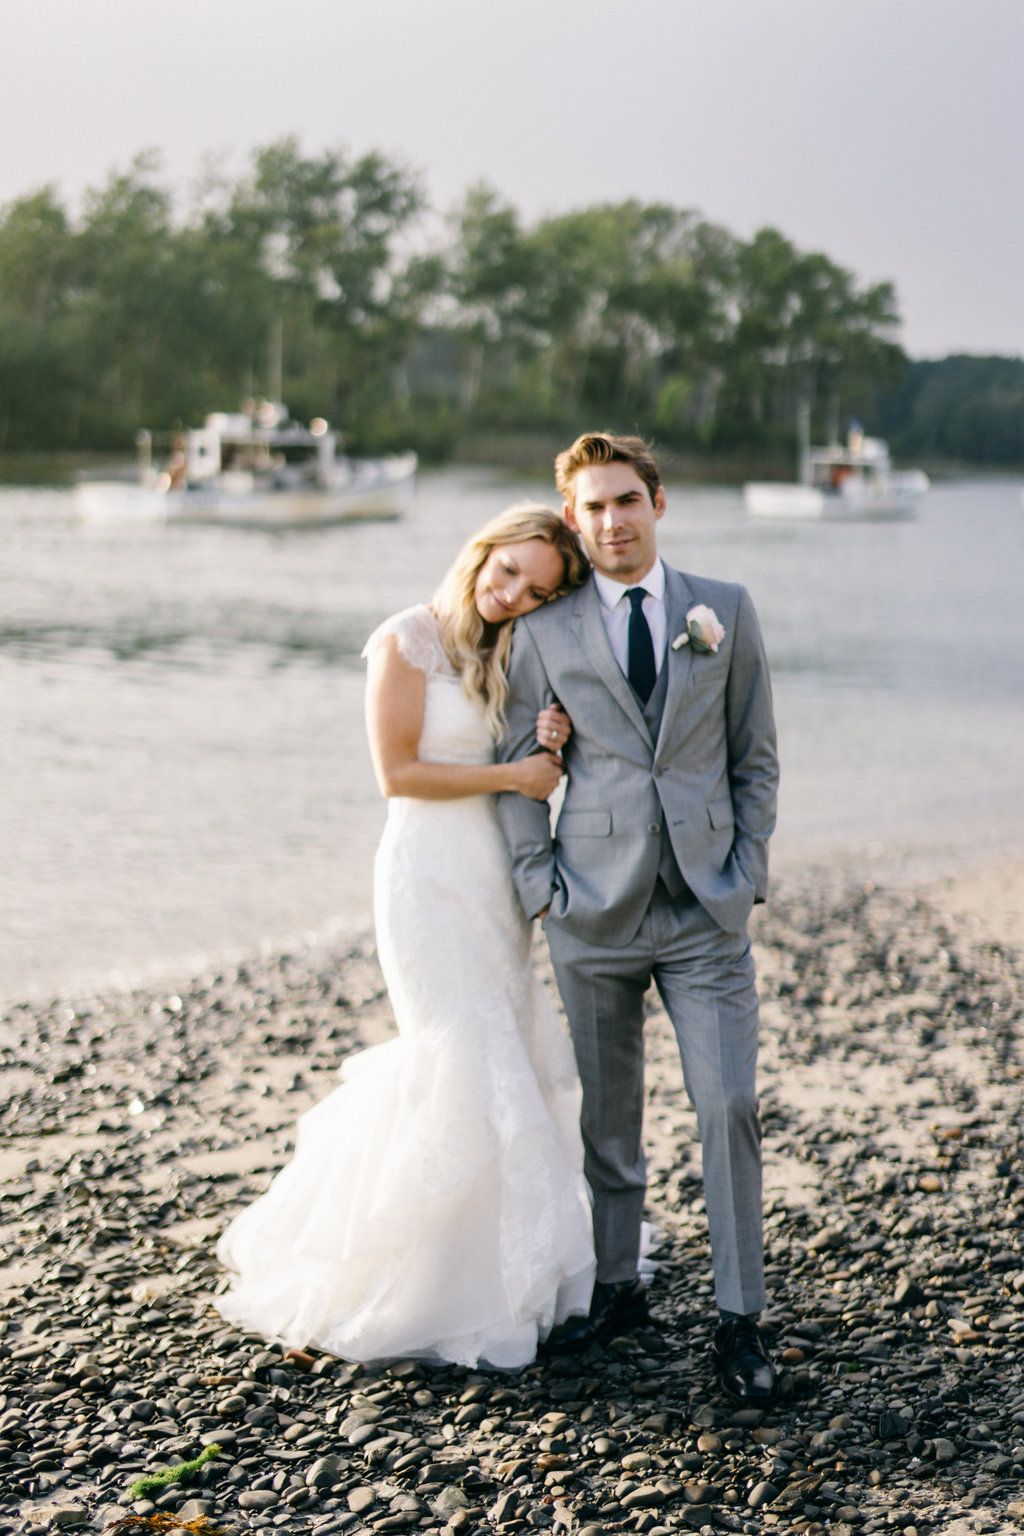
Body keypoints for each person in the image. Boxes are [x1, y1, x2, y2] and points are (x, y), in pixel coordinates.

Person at [215, 505, 595, 1369]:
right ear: (482, 550)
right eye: (506, 573)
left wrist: (546, 743)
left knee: (506, 1051)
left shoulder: (506, 653)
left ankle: (512, 1270)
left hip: (490, 878)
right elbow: (399, 774)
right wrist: (514, 771)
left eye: (535, 591)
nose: (511, 596)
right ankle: (428, 1283)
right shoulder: (406, 639)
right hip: (424, 877)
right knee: (463, 1053)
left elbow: (526, 769)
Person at [495, 433, 780, 1404]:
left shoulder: (725, 612)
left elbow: (754, 758)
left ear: (656, 502)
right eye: (593, 508)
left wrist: (744, 873)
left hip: (706, 910)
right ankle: (618, 1290)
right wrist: (544, 890)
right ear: (573, 521)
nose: (611, 521)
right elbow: (519, 777)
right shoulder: (543, 632)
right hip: (593, 909)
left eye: (626, 500)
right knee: (608, 1119)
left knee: (727, 1106)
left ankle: (739, 1320)